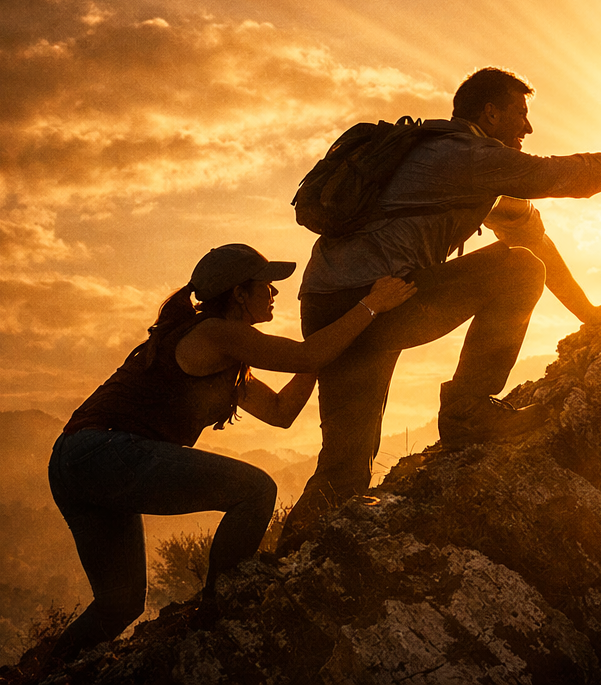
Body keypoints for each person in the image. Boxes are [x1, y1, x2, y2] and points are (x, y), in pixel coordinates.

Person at [278, 69, 601, 550]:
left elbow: (531, 238)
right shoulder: (468, 158)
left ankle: (278, 568)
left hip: (333, 305)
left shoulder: (440, 157)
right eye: (520, 114)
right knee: (516, 271)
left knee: (345, 463)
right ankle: (467, 410)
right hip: (376, 303)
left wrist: (588, 314)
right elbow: (599, 172)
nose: (527, 129)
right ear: (489, 113)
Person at [42, 244, 414, 664]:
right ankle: (220, 608)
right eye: (266, 286)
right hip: (104, 451)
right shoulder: (216, 332)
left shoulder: (222, 354)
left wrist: (323, 356)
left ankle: (45, 671)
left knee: (119, 604)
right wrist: (371, 306)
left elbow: (280, 413)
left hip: (75, 462)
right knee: (256, 489)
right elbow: (306, 353)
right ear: (239, 294)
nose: (274, 293)